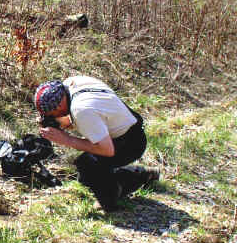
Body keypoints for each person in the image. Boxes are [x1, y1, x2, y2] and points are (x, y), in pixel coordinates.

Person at [34, 75, 159, 211]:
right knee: (85, 179)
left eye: (51, 114)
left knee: (87, 165)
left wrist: (66, 139)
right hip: (128, 125)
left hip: (131, 143)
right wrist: (61, 123)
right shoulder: (73, 83)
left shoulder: (81, 111)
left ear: (59, 105)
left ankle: (110, 200)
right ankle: (145, 174)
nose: (51, 117)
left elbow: (107, 150)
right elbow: (93, 113)